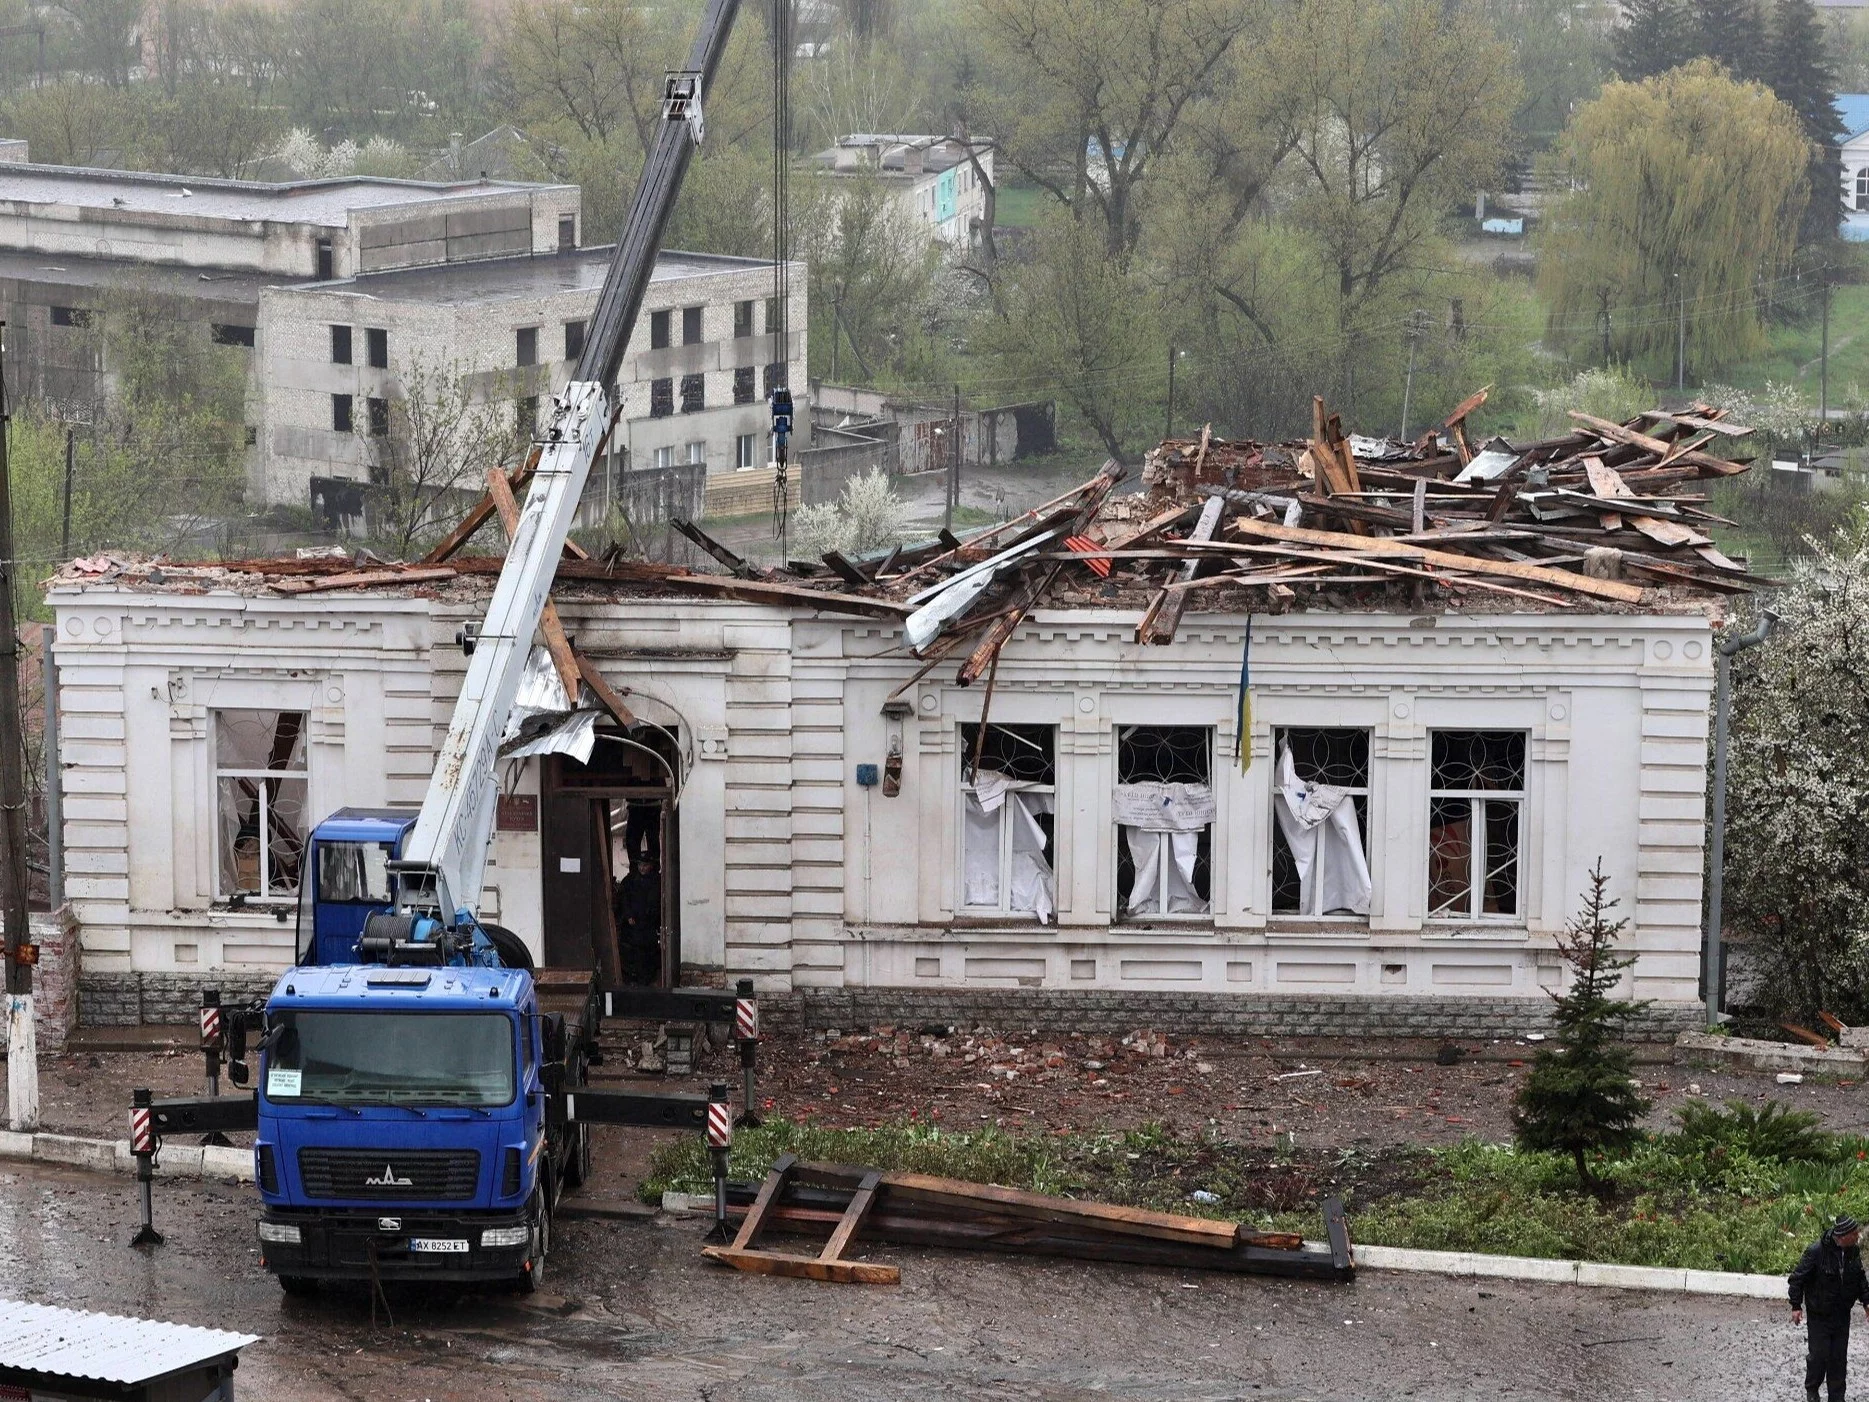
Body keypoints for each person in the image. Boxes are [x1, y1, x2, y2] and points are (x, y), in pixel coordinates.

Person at [1791, 1213, 1869, 1402]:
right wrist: (1796, 1305)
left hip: (1842, 1316)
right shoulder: (1816, 1252)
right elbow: (1797, 1278)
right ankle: (1812, 1390)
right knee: (1818, 1357)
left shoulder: (1853, 1252)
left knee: (1838, 1359)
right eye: (1854, 1233)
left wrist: (1867, 1302)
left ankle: (1837, 1397)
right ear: (1843, 1235)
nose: (1858, 1236)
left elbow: (1859, 1279)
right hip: (1819, 1316)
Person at [615, 855, 662, 985]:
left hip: (649, 924)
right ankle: (634, 978)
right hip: (633, 925)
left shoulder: (657, 881)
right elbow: (623, 899)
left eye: (645, 865)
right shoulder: (630, 880)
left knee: (649, 952)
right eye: (640, 865)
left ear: (651, 866)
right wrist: (628, 915)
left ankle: (648, 978)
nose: (642, 868)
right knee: (633, 952)